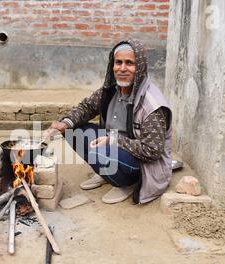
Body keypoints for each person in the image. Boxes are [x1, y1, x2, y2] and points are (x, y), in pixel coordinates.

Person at [46, 40, 172, 204]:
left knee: (100, 153)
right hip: (113, 146)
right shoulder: (110, 91)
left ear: (139, 67)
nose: (122, 68)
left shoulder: (153, 105)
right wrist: (65, 124)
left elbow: (152, 151)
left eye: (129, 63)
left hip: (142, 164)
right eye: (118, 62)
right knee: (72, 130)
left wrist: (113, 140)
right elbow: (87, 107)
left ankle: (126, 184)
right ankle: (105, 173)